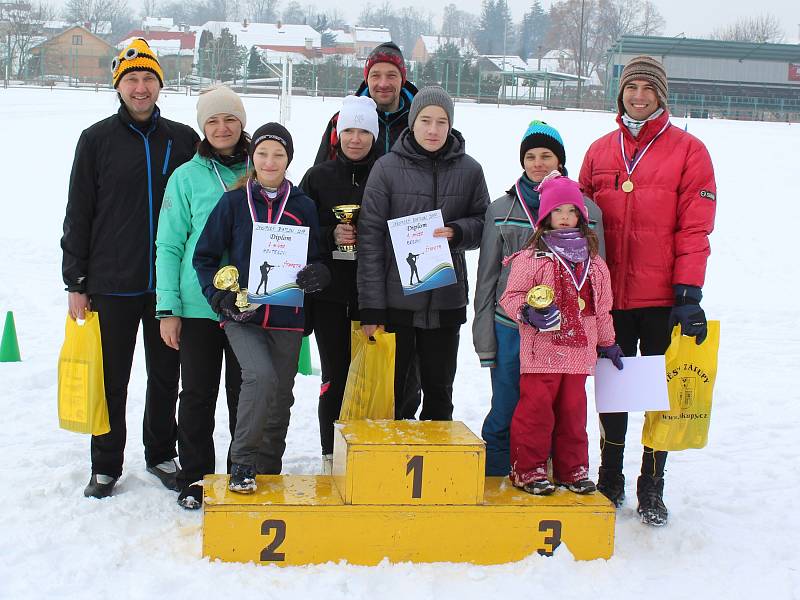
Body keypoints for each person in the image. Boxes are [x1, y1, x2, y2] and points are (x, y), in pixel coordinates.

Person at [579, 55, 716, 526]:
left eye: (647, 88)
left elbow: (695, 227)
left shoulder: (689, 151)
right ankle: (611, 476)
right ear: (620, 93)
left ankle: (652, 483)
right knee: (615, 391)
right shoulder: (599, 150)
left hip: (662, 299)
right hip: (610, 298)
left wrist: (688, 294)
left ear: (661, 94)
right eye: (631, 88)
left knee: (659, 395)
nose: (638, 96)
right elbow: (579, 222)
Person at [61, 38, 200, 499]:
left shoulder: (183, 140)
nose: (141, 88)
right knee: (111, 377)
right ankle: (105, 464)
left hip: (167, 285)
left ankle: (161, 452)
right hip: (111, 281)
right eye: (132, 80)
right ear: (118, 85)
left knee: (166, 374)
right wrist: (75, 280)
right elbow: (79, 212)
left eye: (148, 79)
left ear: (161, 84)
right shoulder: (96, 139)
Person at [193, 123, 330, 494]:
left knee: (280, 399)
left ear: (289, 160)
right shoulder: (234, 203)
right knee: (260, 377)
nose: (270, 161)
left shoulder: (303, 206)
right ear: (253, 158)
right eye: (263, 153)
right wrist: (215, 294)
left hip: (287, 318)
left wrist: (319, 274)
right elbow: (203, 256)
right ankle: (243, 463)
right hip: (244, 315)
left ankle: (268, 472)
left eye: (279, 154)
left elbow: (316, 258)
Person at [473, 120, 605, 477]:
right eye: (530, 156)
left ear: (560, 160)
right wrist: (484, 338)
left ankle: (541, 473)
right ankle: (496, 476)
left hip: (561, 334)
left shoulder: (587, 213)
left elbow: (596, 284)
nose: (537, 163)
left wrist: (599, 340)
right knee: (505, 406)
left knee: (555, 409)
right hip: (510, 327)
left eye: (546, 155)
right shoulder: (502, 208)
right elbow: (486, 280)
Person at [358, 86, 489, 420]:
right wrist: (372, 307)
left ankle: (434, 466)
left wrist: (458, 232)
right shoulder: (386, 169)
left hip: (446, 299)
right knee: (396, 397)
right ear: (412, 122)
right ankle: (391, 466)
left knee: (440, 394)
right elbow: (370, 239)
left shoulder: (470, 170)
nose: (433, 130)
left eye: (442, 122)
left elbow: (483, 223)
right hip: (396, 303)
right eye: (426, 120)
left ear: (451, 125)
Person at [498, 173, 622, 495]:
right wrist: (528, 312)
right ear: (546, 217)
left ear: (581, 215)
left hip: (578, 356)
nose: (565, 218)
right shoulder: (532, 258)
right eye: (558, 212)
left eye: (571, 211)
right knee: (535, 413)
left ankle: (572, 469)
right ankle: (528, 469)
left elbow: (601, 308)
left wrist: (607, 343)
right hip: (542, 354)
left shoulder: (594, 264)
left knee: (573, 413)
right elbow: (510, 298)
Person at [155, 85, 248, 509]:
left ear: (241, 123)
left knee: (244, 394)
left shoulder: (262, 167)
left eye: (230, 119)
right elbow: (170, 246)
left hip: (249, 305)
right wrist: (168, 308)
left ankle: (242, 470)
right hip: (197, 308)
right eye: (213, 120)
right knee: (196, 394)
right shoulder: (186, 177)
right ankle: (196, 477)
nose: (222, 127)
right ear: (202, 128)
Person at [299, 95, 380, 472]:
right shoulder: (318, 177)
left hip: (374, 294)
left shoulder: (386, 174)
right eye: (348, 129)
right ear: (337, 133)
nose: (356, 138)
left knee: (372, 376)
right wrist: (332, 234)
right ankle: (330, 453)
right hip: (330, 295)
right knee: (335, 374)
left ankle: (368, 451)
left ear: (375, 135)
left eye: (364, 130)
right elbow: (298, 230)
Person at [314, 42, 418, 164]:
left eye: (391, 75)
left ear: (402, 80)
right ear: (367, 80)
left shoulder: (420, 123)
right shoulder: (340, 121)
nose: (383, 84)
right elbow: (320, 175)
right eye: (375, 76)